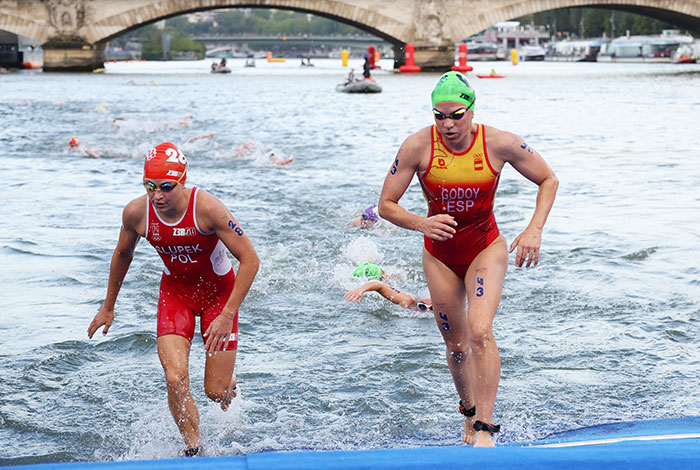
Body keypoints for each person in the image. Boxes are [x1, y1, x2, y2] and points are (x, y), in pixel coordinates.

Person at [377, 71, 558, 447]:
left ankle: (486, 428)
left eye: (456, 115)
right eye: (438, 116)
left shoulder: (500, 142)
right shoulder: (416, 147)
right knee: (456, 346)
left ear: (472, 110)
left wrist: (534, 229)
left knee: (479, 331)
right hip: (440, 257)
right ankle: (469, 412)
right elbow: (386, 206)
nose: (447, 125)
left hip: (484, 248)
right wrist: (421, 222)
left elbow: (548, 180)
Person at [87, 142, 259, 457]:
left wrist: (227, 314)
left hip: (218, 296)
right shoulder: (137, 213)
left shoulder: (207, 208)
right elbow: (123, 253)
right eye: (149, 187)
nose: (158, 196)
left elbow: (250, 259)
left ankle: (228, 380)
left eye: (166, 187)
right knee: (174, 377)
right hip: (176, 293)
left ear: (183, 180)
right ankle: (194, 449)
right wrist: (108, 306)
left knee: (215, 392)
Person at [345, 280, 432, 312]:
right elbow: (379, 285)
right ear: (416, 304)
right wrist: (361, 289)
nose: (427, 311)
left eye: (432, 308)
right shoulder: (409, 302)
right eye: (422, 307)